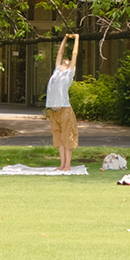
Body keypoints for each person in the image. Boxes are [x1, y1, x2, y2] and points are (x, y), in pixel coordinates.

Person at [44, 33, 81, 171]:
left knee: (67, 138)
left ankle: (67, 165)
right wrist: (65, 38)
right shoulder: (57, 70)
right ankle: (62, 164)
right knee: (59, 138)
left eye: (69, 60)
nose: (66, 59)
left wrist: (76, 37)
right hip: (54, 111)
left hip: (65, 110)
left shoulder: (69, 73)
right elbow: (59, 52)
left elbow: (74, 53)